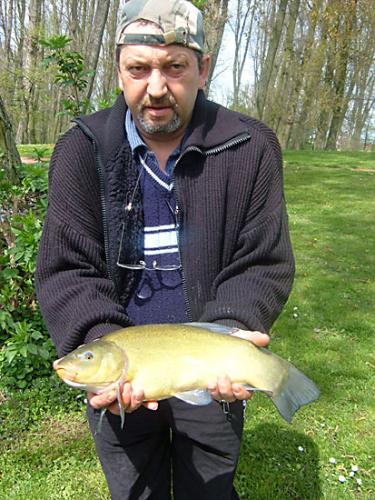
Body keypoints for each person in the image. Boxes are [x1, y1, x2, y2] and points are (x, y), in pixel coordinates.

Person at [36, 0, 295, 498]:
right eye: (139, 69)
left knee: (210, 490)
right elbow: (67, 269)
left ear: (202, 68)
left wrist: (232, 330)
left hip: (212, 369)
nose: (156, 87)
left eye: (174, 67)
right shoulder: (81, 150)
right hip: (123, 378)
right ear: (118, 72)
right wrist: (106, 344)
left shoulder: (251, 147)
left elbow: (262, 261)